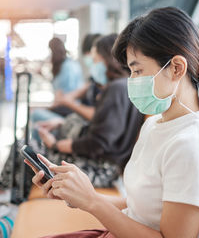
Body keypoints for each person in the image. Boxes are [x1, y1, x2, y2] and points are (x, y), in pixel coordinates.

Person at [1, 6, 199, 238]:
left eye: (138, 71)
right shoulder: (155, 122)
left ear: (176, 67)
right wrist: (81, 195)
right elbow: (141, 208)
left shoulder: (189, 145)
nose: (132, 81)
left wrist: (93, 203)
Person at [0, 34, 143, 194]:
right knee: (27, 150)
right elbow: (104, 128)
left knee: (23, 149)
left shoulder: (116, 89)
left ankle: (7, 196)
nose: (93, 66)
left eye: (96, 61)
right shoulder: (122, 87)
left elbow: (98, 143)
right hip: (102, 165)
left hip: (100, 169)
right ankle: (14, 198)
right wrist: (61, 126)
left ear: (107, 60)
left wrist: (55, 145)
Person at [31, 37, 83, 123]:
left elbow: (63, 98)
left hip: (69, 111)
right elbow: (58, 86)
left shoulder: (67, 68)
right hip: (67, 108)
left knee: (36, 115)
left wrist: (47, 108)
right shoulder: (68, 65)